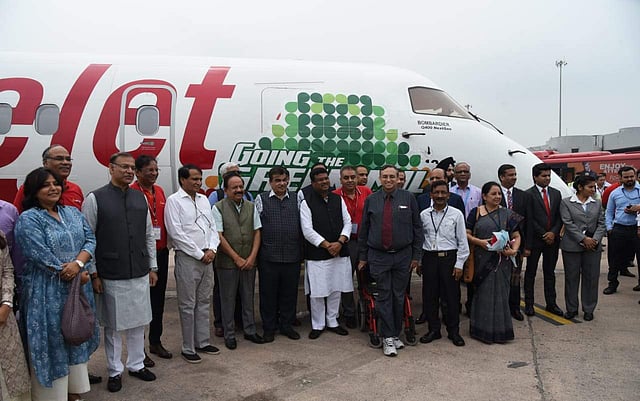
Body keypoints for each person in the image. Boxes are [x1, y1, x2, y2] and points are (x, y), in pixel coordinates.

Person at [15, 167, 99, 400]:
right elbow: (37, 252)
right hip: (46, 290)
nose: (53, 188)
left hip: (77, 287)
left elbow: (90, 239)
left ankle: (74, 391)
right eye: (45, 185)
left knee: (75, 333)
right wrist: (67, 270)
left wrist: (78, 265)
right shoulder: (29, 219)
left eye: (56, 184)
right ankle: (51, 395)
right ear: (33, 191)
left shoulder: (72, 212)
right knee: (52, 340)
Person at [82, 152, 158, 393]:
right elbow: (88, 237)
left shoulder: (139, 197)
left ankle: (136, 364)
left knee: (139, 322)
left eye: (131, 167)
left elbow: (148, 234)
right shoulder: (95, 198)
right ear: (111, 168)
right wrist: (94, 273)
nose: (128, 171)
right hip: (110, 272)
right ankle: (115, 370)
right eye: (123, 167)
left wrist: (153, 266)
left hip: (139, 270)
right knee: (113, 326)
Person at [358, 165, 422, 357]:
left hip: (403, 256)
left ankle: (394, 334)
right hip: (379, 256)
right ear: (379, 178)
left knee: (399, 295)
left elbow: (417, 228)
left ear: (398, 178)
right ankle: (388, 336)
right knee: (384, 295)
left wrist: (416, 256)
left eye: (392, 177)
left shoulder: (408, 198)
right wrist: (363, 257)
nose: (388, 180)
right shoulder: (371, 200)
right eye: (385, 176)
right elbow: (364, 230)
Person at [164, 164, 221, 363]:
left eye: (200, 179)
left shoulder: (204, 199)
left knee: (204, 301)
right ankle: (188, 347)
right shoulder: (174, 201)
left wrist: (212, 249)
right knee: (188, 304)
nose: (198, 182)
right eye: (194, 179)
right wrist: (199, 254)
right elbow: (176, 233)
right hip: (189, 259)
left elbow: (213, 227)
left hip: (208, 257)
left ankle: (203, 342)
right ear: (183, 180)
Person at [212, 172, 264, 350]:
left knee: (248, 296)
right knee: (228, 299)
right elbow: (219, 236)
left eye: (241, 186)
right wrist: (236, 258)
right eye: (234, 187)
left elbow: (257, 232)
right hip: (227, 263)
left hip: (249, 261)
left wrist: (252, 257)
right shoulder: (218, 208)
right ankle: (229, 334)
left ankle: (250, 330)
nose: (239, 190)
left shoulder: (251, 206)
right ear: (226, 190)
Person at [466, 182, 522, 344]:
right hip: (482, 260)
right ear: (484, 196)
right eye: (493, 194)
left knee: (501, 295)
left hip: (502, 262)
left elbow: (517, 235)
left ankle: (501, 332)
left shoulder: (508, 214)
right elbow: (466, 234)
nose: (497, 197)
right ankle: (481, 331)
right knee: (482, 294)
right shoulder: (476, 213)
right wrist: (480, 242)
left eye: (499, 194)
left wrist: (513, 250)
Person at [301, 167, 352, 340]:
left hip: (339, 251)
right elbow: (307, 230)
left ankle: (332, 321)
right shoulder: (306, 202)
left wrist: (340, 242)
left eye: (326, 179)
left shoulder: (338, 199)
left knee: (336, 287)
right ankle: (318, 324)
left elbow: (348, 222)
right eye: (320, 180)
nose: (324, 182)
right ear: (313, 183)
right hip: (317, 254)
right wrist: (327, 245)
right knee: (318, 291)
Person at [131, 155, 172, 365]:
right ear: (137, 172)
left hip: (161, 252)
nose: (154, 173)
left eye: (156, 170)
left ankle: (155, 341)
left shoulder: (160, 191)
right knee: (140, 304)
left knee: (158, 301)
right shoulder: (131, 193)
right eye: (150, 170)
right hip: (141, 255)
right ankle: (139, 351)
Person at [255, 167, 303, 342]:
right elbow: (256, 227)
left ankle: (286, 326)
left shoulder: (297, 198)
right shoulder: (261, 199)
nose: (281, 183)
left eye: (284, 180)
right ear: (270, 182)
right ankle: (269, 328)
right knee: (268, 294)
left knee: (289, 294)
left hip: (292, 255)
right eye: (277, 180)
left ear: (288, 180)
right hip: (269, 257)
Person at [418, 180, 469, 346]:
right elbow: (420, 239)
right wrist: (419, 261)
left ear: (448, 195)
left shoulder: (456, 214)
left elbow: (462, 241)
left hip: (449, 258)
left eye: (443, 192)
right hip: (429, 258)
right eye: (436, 192)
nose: (440, 196)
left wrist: (459, 264)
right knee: (430, 296)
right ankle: (434, 330)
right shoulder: (424, 215)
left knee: (451, 297)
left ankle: (454, 332)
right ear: (431, 195)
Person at [559, 175, 606, 321]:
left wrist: (594, 240)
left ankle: (589, 309)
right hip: (572, 247)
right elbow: (568, 223)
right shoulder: (566, 203)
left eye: (594, 187)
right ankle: (572, 308)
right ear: (580, 187)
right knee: (571, 278)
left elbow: (602, 223)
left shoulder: (596, 204)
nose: (593, 189)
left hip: (592, 248)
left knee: (591, 278)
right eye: (590, 187)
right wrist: (583, 239)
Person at [333, 165, 373, 329]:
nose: (350, 180)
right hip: (346, 243)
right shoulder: (335, 196)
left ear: (357, 178)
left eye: (353, 177)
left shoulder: (366, 192)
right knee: (346, 279)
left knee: (367, 277)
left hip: (365, 242)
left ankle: (369, 309)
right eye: (346, 178)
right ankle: (349, 313)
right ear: (340, 180)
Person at [524, 163, 564, 317]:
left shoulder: (556, 193)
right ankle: (529, 304)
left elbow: (559, 217)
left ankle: (551, 304)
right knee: (531, 273)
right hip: (535, 240)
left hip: (552, 241)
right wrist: (544, 234)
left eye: (549, 175)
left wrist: (553, 233)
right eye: (544, 176)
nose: (547, 178)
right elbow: (529, 219)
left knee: (550, 273)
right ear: (535, 177)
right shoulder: (528, 194)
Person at [0, 230, 30, 401]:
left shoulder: (0, 236)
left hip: (4, 316)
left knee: (12, 376)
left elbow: (7, 270)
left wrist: (6, 303)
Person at [498, 164, 530, 321]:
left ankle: (515, 307)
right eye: (510, 175)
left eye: (515, 174)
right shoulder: (495, 194)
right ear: (502, 177)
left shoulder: (523, 196)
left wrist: (526, 246)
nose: (514, 177)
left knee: (515, 278)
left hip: (518, 243)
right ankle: (500, 307)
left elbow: (528, 221)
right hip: (499, 244)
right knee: (499, 278)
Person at [13, 145, 84, 213]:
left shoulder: (75, 189)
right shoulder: (31, 187)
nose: (65, 162)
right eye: (59, 159)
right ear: (45, 163)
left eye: (68, 159)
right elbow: (16, 216)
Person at [603, 166, 640, 294]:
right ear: (620, 178)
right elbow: (608, 212)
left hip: (637, 229)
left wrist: (638, 208)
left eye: (632, 176)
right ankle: (612, 284)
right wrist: (609, 228)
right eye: (626, 177)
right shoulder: (615, 193)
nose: (629, 179)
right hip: (619, 229)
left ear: (635, 176)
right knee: (614, 258)